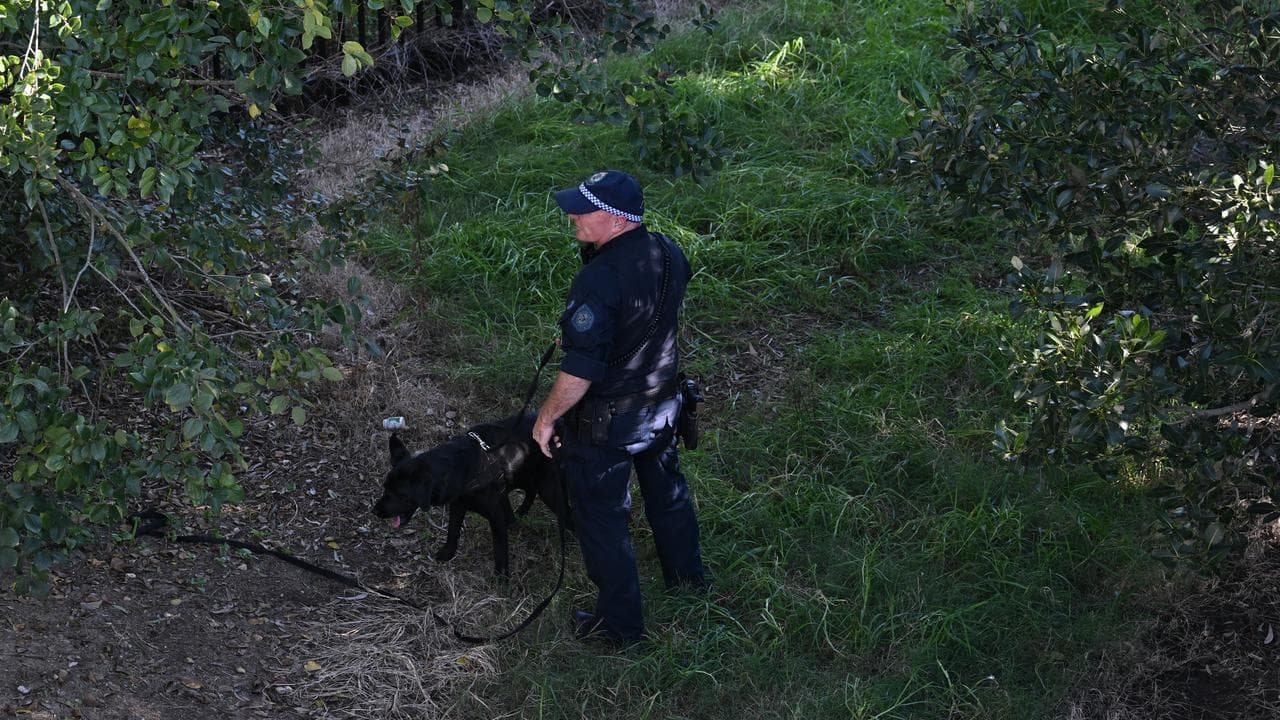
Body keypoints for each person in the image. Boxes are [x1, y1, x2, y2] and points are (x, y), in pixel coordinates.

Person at [532, 170, 706, 647]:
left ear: (612, 219)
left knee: (603, 519)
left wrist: (546, 418)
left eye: (580, 211)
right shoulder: (668, 252)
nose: (571, 217)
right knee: (668, 496)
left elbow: (581, 370)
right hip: (662, 405)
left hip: (608, 422)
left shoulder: (600, 276)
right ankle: (689, 583)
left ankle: (620, 627)